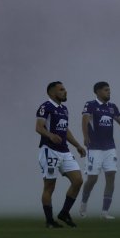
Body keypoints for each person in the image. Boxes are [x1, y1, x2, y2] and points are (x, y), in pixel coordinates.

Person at [78, 81, 120, 219]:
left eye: (109, 90)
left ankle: (105, 212)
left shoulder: (112, 107)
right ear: (97, 91)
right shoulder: (90, 105)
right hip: (94, 148)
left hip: (110, 148)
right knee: (92, 179)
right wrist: (85, 137)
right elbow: (85, 120)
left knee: (111, 176)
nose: (109, 92)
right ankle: (83, 203)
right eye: (106, 90)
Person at [36, 81, 87, 228]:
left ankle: (64, 213)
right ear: (52, 93)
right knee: (49, 186)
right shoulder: (46, 106)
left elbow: (65, 130)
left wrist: (77, 145)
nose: (65, 92)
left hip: (64, 151)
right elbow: (38, 127)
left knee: (78, 180)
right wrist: (50, 135)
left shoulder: (64, 109)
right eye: (62, 90)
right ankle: (49, 221)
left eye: (65, 89)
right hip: (49, 151)